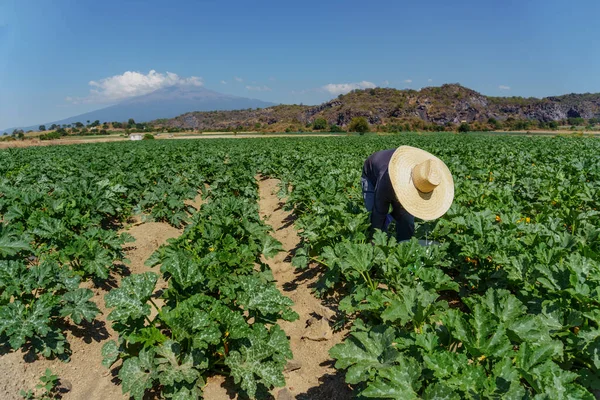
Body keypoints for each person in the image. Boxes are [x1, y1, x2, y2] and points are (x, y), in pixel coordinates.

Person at [361, 145, 454, 241]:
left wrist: (394, 215)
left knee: (406, 219)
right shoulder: (386, 182)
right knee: (375, 215)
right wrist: (375, 242)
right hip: (371, 175)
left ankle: (404, 243)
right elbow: (378, 212)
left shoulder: (426, 173)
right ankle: (379, 242)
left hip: (391, 175)